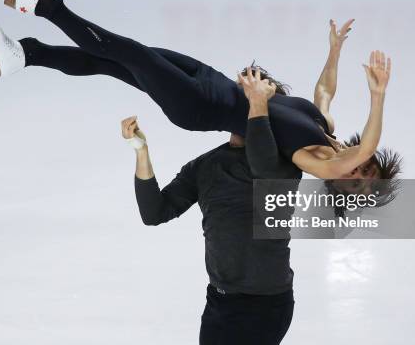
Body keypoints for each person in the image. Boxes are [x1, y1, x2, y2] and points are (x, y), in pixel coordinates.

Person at [0, 0, 401, 196]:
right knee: (113, 62)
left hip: (196, 107)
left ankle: (40, 2)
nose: (358, 171)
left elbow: (360, 151)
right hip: (208, 79)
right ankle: (20, 57)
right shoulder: (323, 125)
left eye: (359, 182)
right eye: (368, 170)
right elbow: (324, 91)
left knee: (129, 53)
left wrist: (378, 97)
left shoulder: (314, 163)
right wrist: (334, 51)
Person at [121, 68, 299, 344]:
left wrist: (259, 104)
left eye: (252, 99)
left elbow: (265, 164)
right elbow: (154, 213)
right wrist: (140, 150)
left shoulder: (284, 164)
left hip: (268, 304)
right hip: (220, 301)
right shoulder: (204, 166)